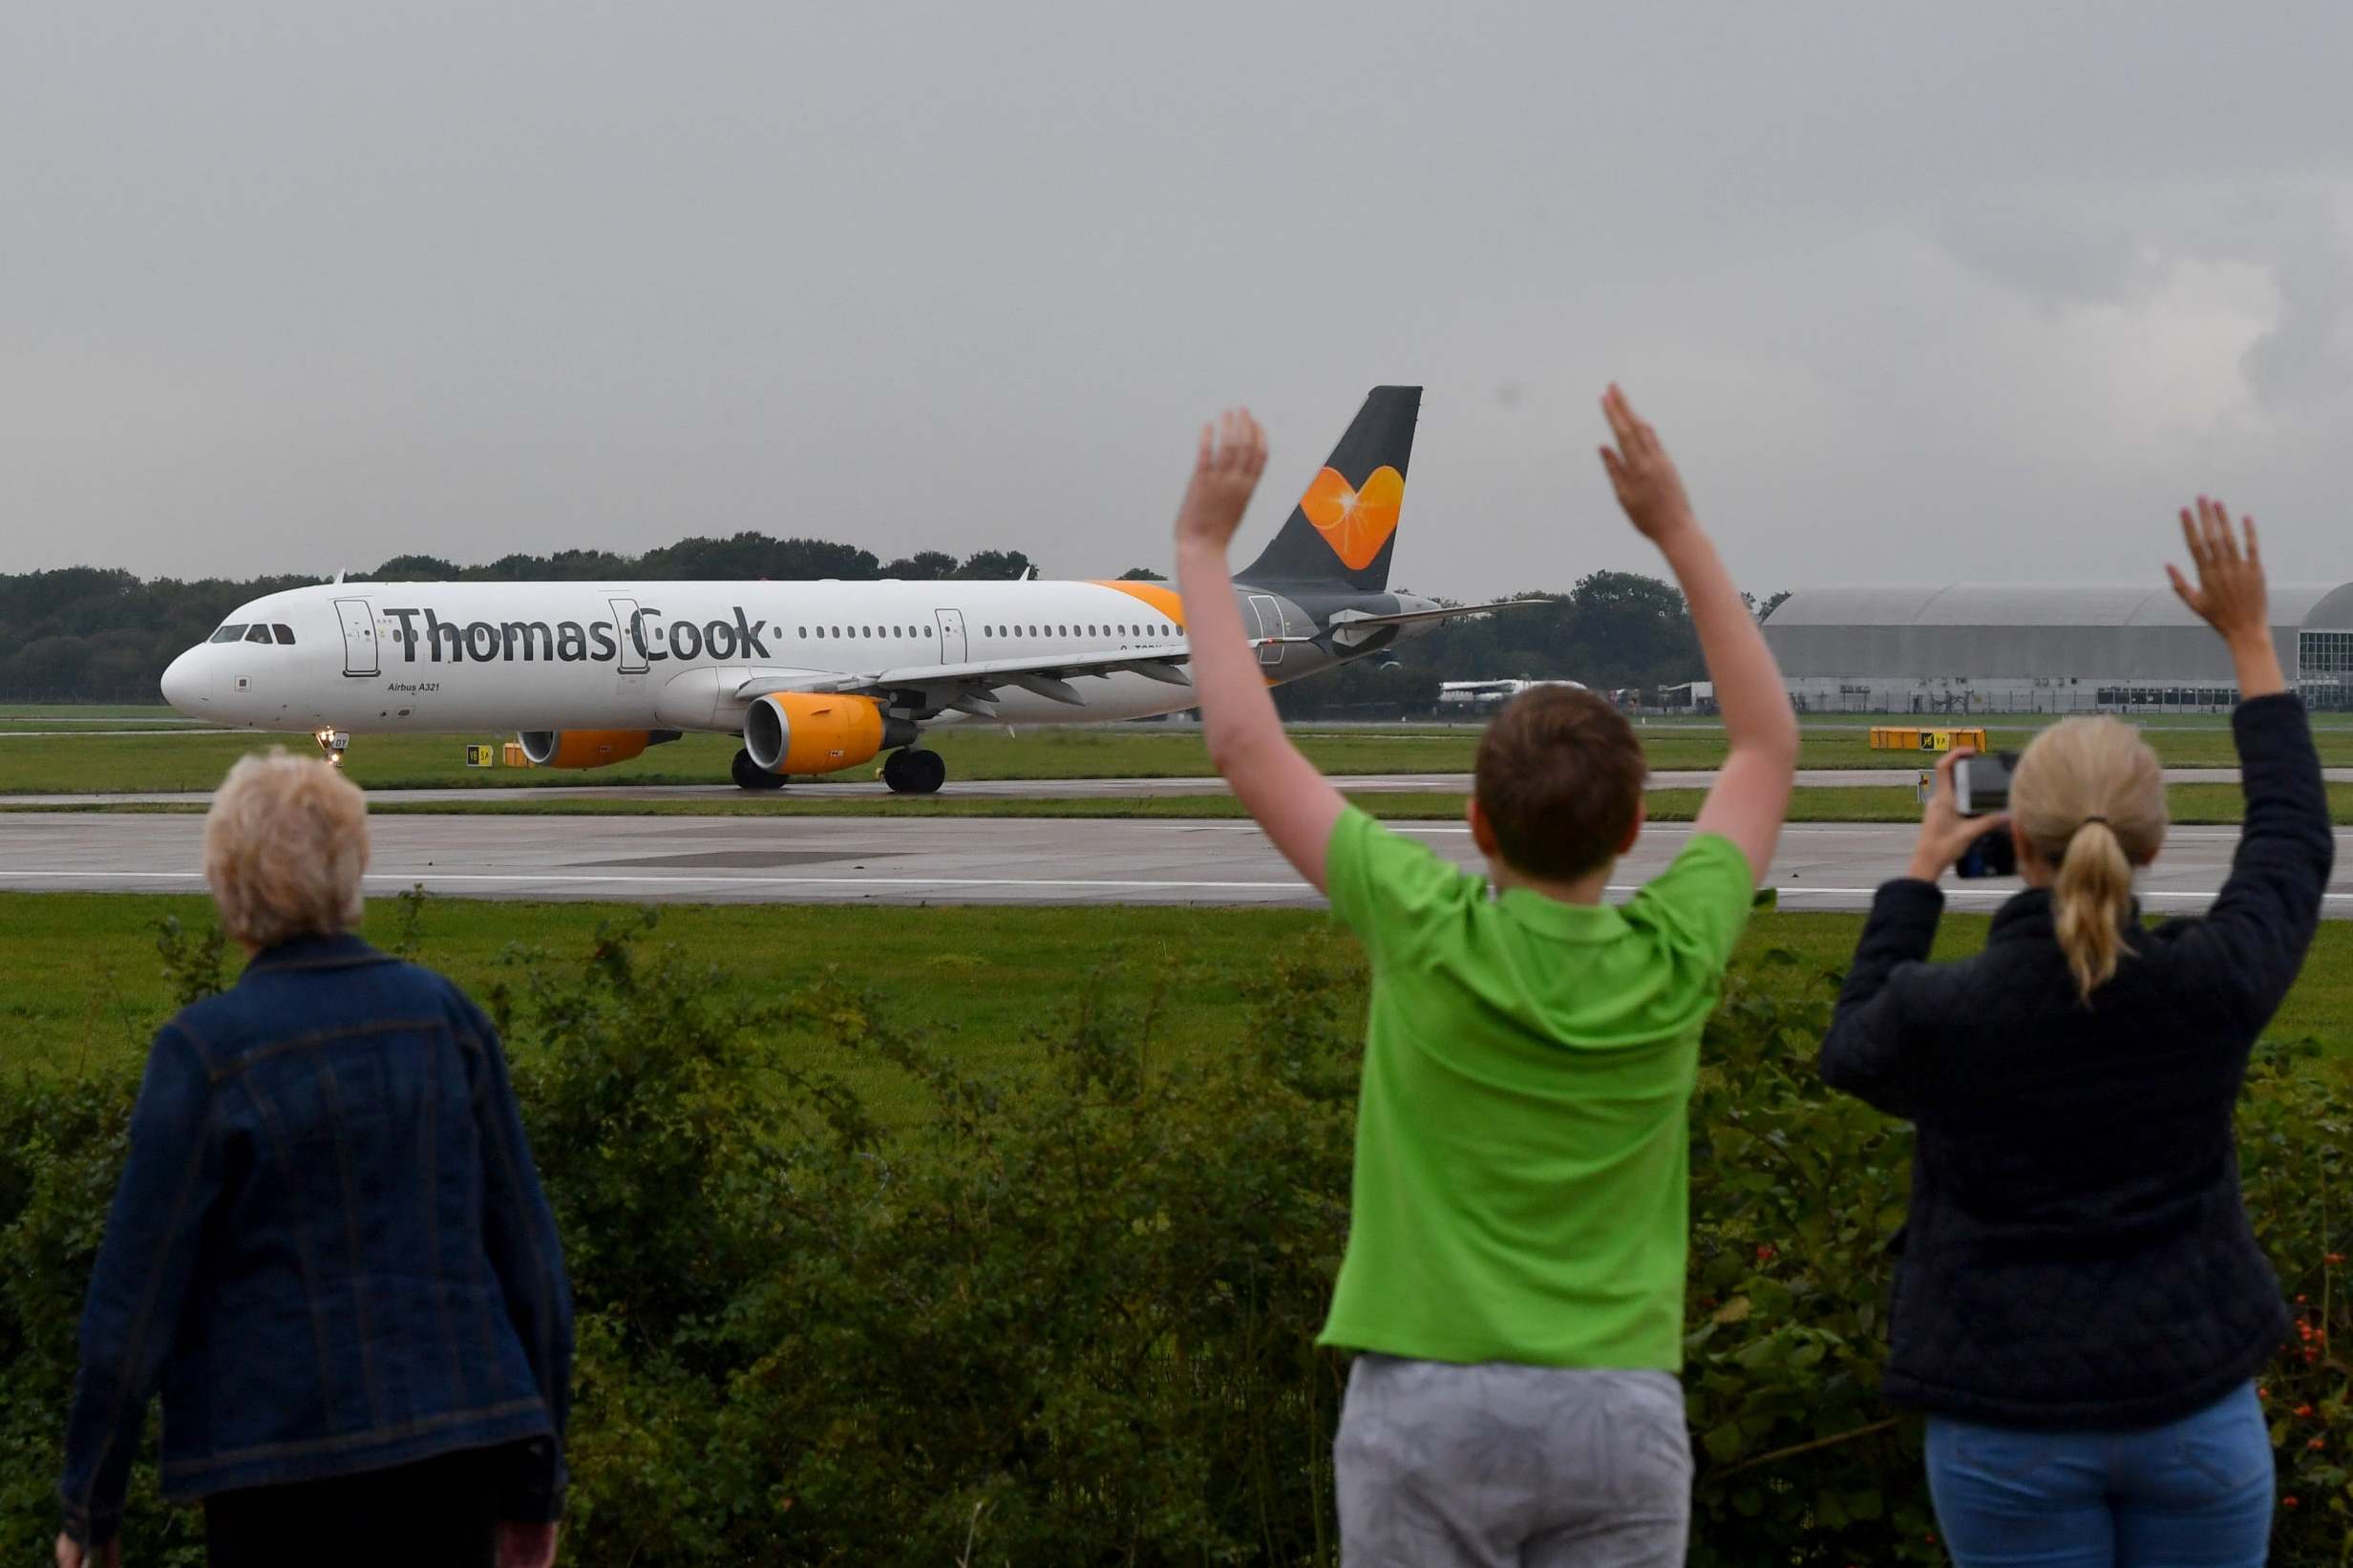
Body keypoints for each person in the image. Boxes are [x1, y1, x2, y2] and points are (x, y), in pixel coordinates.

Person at [1175, 388, 1799, 1564]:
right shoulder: (1673, 952)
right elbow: (1767, 744)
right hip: (1615, 1404)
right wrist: (1677, 531)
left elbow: (1244, 743)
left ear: (1474, 824)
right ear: (1630, 833)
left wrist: (1201, 550)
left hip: (1428, 1399)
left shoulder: (1424, 924)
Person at [1816, 499, 2333, 1566]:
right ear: (2150, 837)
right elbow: (2290, 844)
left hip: (2004, 1416)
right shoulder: (2208, 985)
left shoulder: (1940, 1013)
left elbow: (1851, 1044)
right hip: (2192, 1405)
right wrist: (2248, 642)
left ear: (2013, 836)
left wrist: (1918, 870)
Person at [55, 752, 573, 1568]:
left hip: (275, 1469)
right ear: (353, 865)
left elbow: (133, 1302)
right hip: (455, 1449)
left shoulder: (205, 1052)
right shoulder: (448, 1019)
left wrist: (91, 1507)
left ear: (226, 885)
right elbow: (533, 1274)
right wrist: (536, 1489)